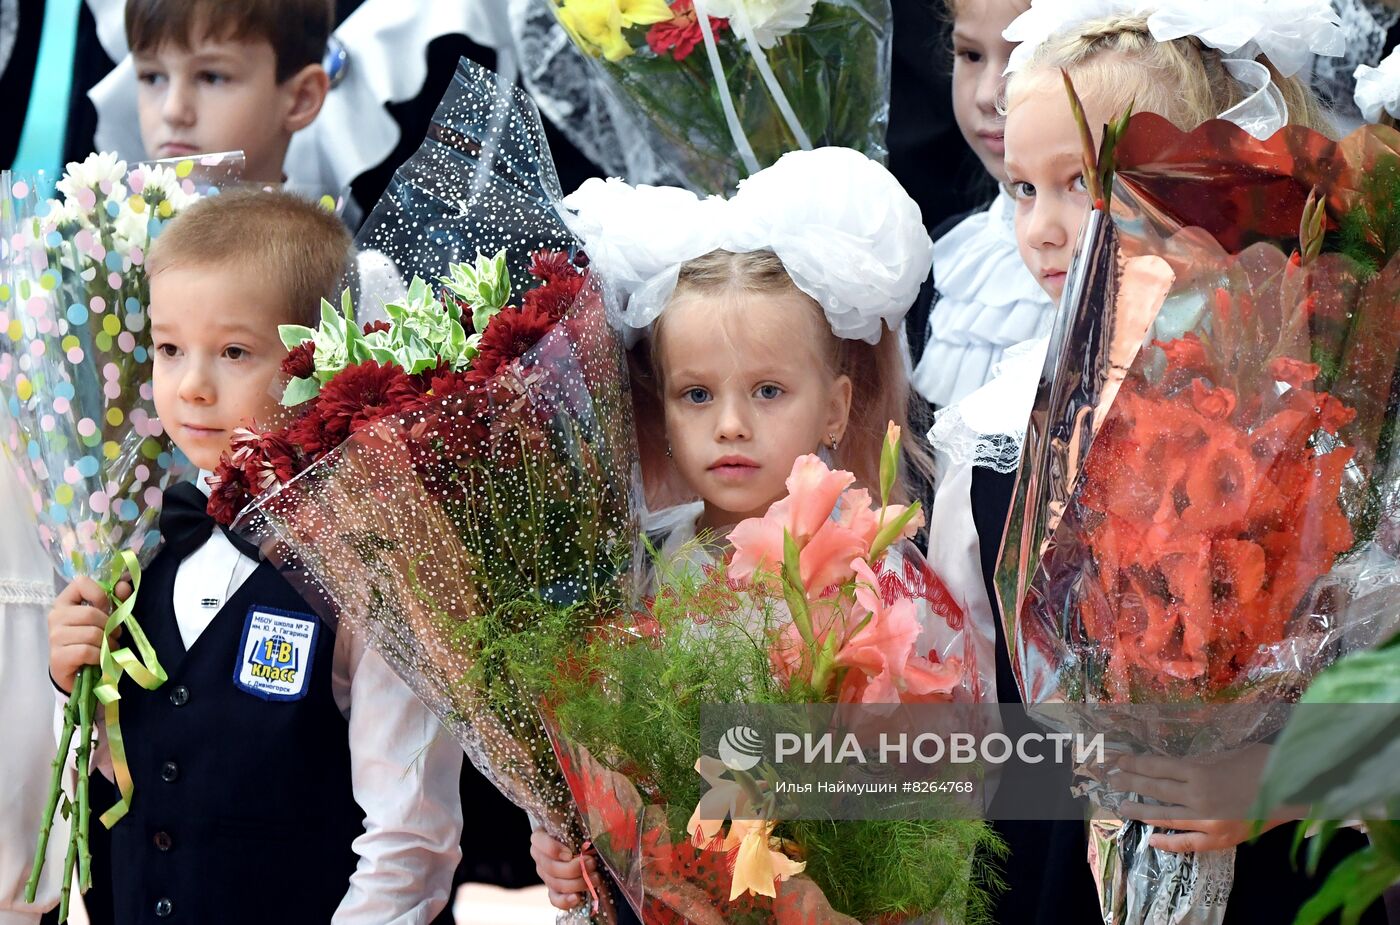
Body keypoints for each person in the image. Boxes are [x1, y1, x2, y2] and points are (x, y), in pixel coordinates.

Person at [931, 4, 1379, 922]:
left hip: (1274, 868)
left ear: (1209, 185)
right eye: (1023, 188)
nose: (1047, 228)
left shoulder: (1313, 410)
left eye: (1085, 186)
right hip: (1060, 865)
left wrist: (1272, 778)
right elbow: (964, 703)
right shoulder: (992, 430)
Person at [527, 146, 938, 915]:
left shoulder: (874, 573)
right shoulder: (637, 567)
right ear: (659, 406)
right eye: (696, 393)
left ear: (837, 406)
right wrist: (570, 835)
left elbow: (927, 791)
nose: (731, 425)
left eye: (769, 389)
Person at [44, 190, 463, 925]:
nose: (192, 384)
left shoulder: (368, 558)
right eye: (170, 348)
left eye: (233, 351)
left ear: (321, 356)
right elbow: (136, 782)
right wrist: (78, 686)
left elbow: (411, 835)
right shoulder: (137, 541)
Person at [905, 0, 1053, 412]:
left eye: (1026, 56)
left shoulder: (1153, 268)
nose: (989, 94)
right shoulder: (945, 262)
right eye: (971, 55)